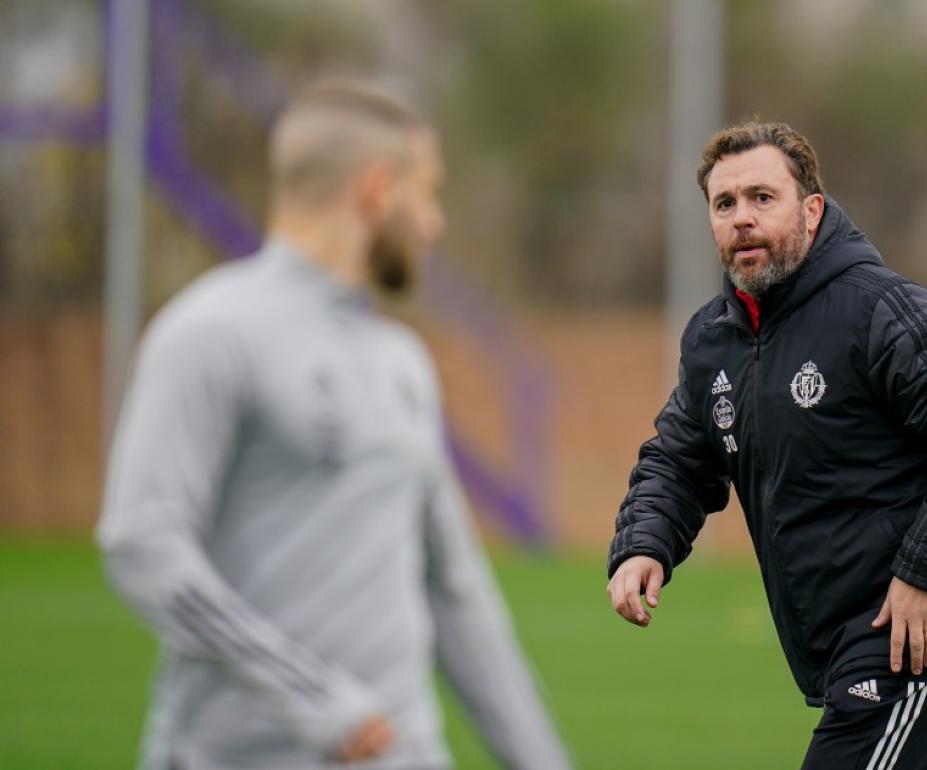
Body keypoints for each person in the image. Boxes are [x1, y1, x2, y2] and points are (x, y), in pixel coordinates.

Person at [98, 80, 572, 770]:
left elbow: (456, 591)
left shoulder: (401, 362)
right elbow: (141, 545)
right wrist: (315, 699)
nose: (434, 224)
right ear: (379, 189)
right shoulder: (209, 332)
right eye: (428, 193)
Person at [606, 121, 927, 769]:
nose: (741, 217)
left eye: (761, 198)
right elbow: (681, 458)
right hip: (842, 637)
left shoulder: (879, 310)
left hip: (913, 634)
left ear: (811, 211)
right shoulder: (713, 339)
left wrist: (923, 572)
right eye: (725, 204)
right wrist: (644, 543)